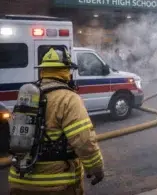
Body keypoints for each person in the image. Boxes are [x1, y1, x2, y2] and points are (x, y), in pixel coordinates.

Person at [8, 47, 104, 195]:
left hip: (19, 181)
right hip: (55, 184)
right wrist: (96, 168)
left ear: (43, 70)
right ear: (66, 71)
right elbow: (84, 140)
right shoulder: (68, 98)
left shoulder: (28, 95)